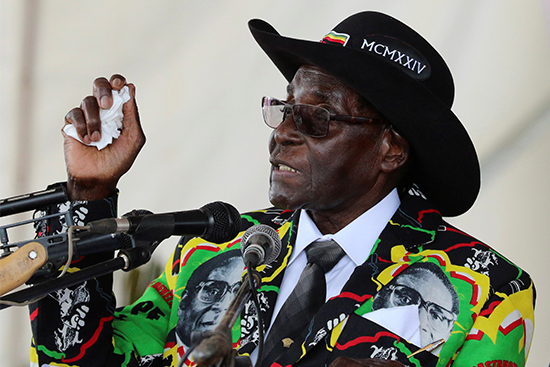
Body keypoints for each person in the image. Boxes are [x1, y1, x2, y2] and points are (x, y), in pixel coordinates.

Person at [29, 11, 535, 367]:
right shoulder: (215, 249)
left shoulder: (489, 289)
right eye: (284, 109)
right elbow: (78, 358)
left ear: (391, 150)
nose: (284, 132)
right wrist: (89, 194)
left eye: (317, 117)